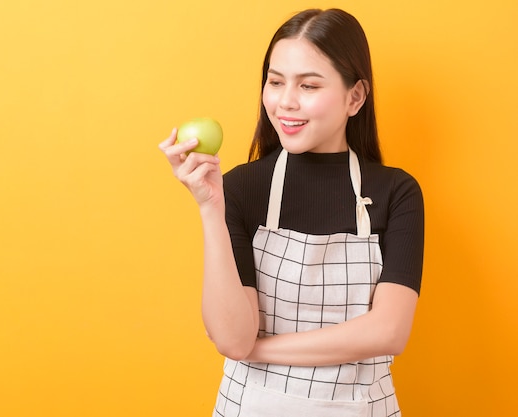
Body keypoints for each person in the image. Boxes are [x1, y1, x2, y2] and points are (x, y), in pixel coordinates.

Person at [159, 8, 424, 417]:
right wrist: (210, 207)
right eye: (276, 81)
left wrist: (260, 350)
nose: (285, 102)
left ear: (355, 97)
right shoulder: (241, 188)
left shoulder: (396, 192)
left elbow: (388, 332)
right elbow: (232, 339)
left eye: (309, 85)